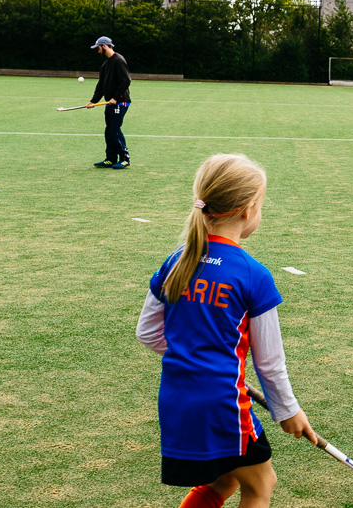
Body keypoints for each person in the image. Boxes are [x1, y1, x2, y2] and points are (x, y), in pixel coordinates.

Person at [136, 153, 316, 508]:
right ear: (248, 210)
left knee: (224, 480)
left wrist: (193, 355)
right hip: (221, 405)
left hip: (176, 400)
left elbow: (148, 333)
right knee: (261, 484)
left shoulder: (176, 261)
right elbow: (270, 364)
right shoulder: (253, 274)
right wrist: (289, 411)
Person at [86, 36, 132, 169]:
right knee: (108, 131)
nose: (98, 51)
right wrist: (93, 101)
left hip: (120, 103)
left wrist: (116, 98)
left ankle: (124, 159)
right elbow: (101, 85)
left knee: (115, 130)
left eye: (98, 48)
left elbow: (126, 81)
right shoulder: (106, 64)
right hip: (109, 103)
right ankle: (111, 158)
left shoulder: (119, 60)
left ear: (104, 46)